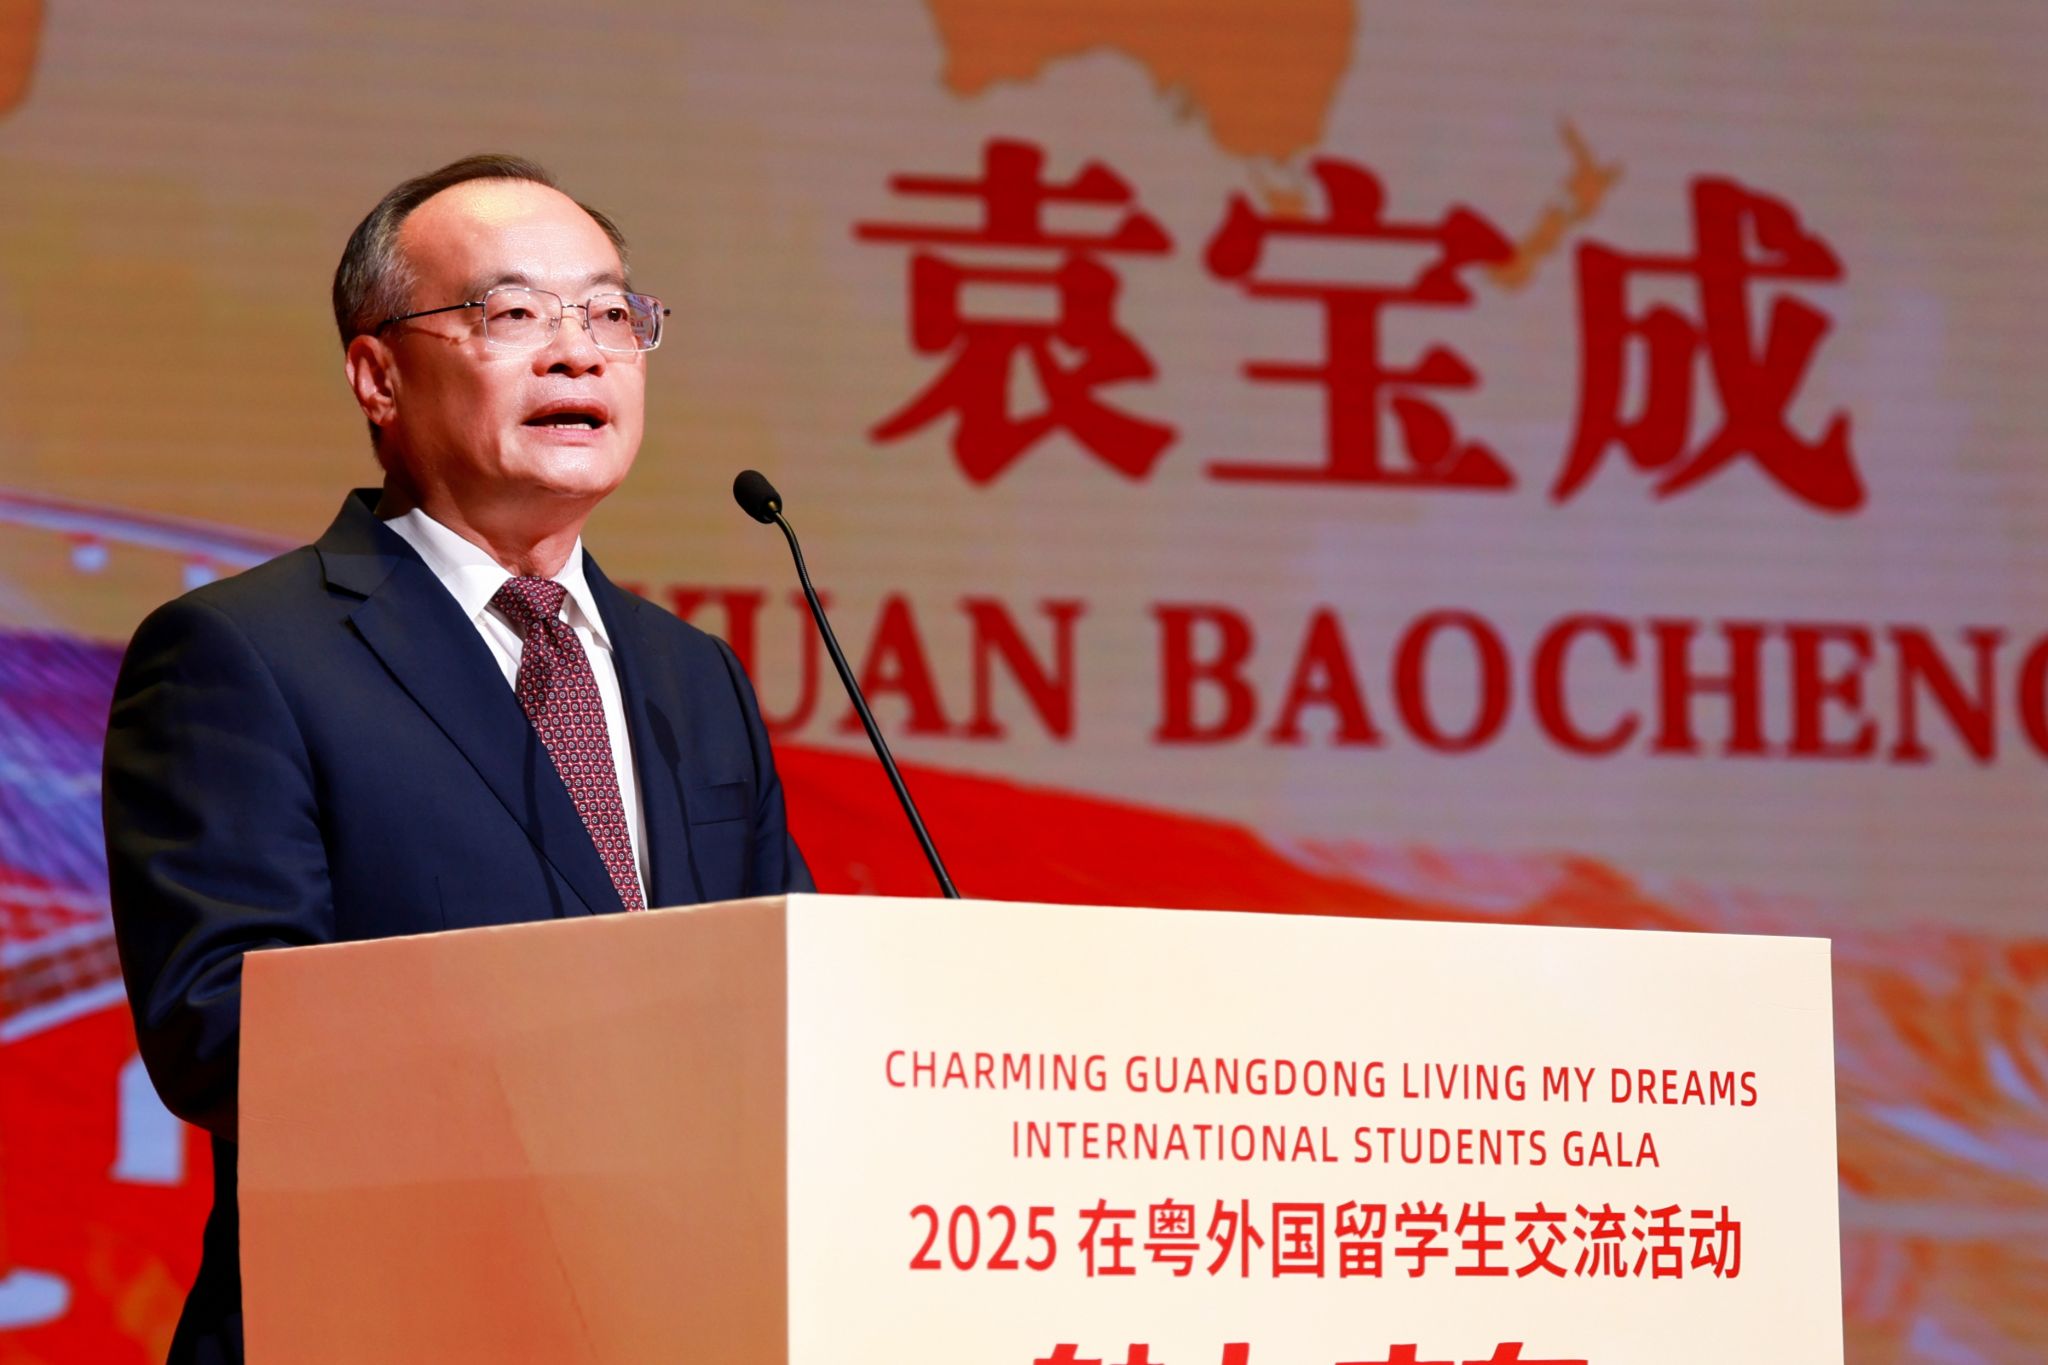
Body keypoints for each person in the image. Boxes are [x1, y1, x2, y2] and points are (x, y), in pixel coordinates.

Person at [102, 154, 813, 1365]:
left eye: (609, 314)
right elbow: (223, 1031)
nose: (578, 354)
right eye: (513, 312)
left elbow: (789, 999)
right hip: (385, 1322)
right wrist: (599, 1063)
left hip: (683, 1317)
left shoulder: (691, 677)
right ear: (377, 375)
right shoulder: (244, 653)